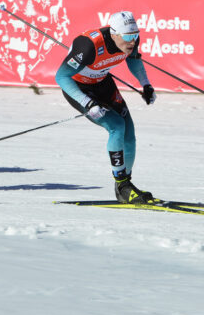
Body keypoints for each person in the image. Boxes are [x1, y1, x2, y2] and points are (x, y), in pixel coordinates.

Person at [55, 10, 157, 204]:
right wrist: (87, 103)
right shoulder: (88, 46)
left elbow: (134, 60)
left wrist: (145, 85)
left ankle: (125, 185)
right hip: (79, 89)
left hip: (102, 83)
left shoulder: (130, 39)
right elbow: (61, 77)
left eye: (135, 35)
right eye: (128, 37)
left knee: (129, 132)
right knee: (116, 127)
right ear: (114, 33)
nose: (133, 41)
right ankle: (122, 186)